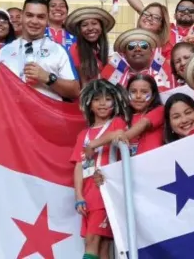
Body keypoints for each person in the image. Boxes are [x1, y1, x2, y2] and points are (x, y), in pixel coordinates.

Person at [71, 79, 131, 259]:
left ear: (115, 102)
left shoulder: (116, 122)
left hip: (105, 189)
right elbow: (78, 166)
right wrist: (79, 196)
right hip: (88, 193)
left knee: (92, 241)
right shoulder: (83, 134)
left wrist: (95, 144)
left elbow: (119, 135)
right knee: (103, 246)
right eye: (97, 99)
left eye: (108, 99)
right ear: (89, 104)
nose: (103, 103)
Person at [0, 0, 80, 101]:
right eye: (29, 15)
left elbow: (74, 91)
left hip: (47, 116)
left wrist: (48, 77)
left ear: (47, 20)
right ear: (22, 16)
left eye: (40, 17)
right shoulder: (4, 52)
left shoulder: (59, 51)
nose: (34, 21)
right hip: (12, 115)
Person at [84, 74, 164, 158]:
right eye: (133, 91)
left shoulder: (159, 110)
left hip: (154, 164)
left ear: (153, 96)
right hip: (128, 168)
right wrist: (92, 143)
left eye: (144, 92)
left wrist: (96, 143)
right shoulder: (122, 118)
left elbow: (143, 124)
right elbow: (112, 134)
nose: (138, 96)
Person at [101, 28, 175, 92]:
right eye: (131, 46)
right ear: (125, 54)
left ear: (151, 52)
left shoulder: (165, 70)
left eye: (144, 45)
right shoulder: (111, 72)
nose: (137, 49)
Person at [64, 7, 115, 85]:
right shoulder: (76, 48)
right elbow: (83, 84)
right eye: (84, 25)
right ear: (79, 30)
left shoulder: (100, 50)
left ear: (101, 28)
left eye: (94, 23)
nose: (90, 28)